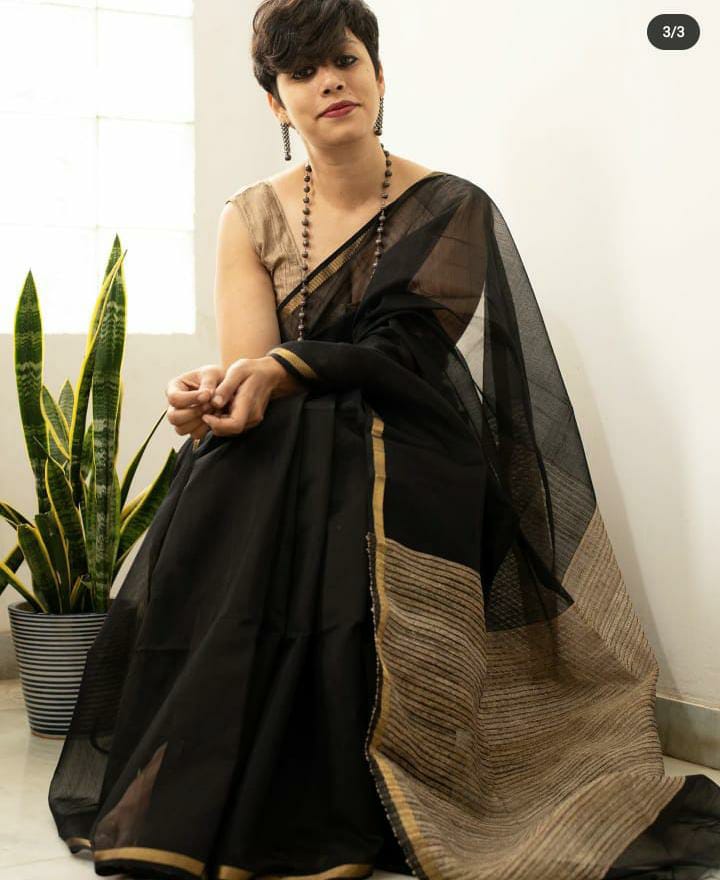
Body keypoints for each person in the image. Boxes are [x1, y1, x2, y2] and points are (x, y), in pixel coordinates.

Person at [48, 1, 720, 878]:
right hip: (289, 444)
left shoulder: (451, 206)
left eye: (345, 60)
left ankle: (343, 791)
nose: (330, 81)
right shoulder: (249, 216)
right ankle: (224, 781)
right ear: (276, 102)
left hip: (412, 441)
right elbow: (252, 371)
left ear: (378, 75)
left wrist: (280, 375)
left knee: (320, 472)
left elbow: (405, 355)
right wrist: (209, 398)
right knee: (228, 474)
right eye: (303, 72)